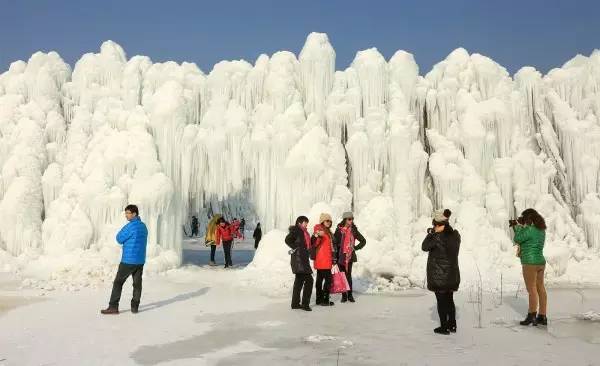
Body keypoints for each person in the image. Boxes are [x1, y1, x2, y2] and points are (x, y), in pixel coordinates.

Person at [101, 204, 148, 315]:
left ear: (134, 214)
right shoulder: (143, 226)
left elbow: (119, 238)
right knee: (137, 284)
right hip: (140, 260)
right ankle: (135, 307)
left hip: (128, 260)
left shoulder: (130, 226)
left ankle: (113, 306)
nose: (126, 215)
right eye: (126, 213)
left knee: (118, 282)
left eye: (128, 213)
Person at [422, 209, 461, 335]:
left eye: (435, 225)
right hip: (452, 275)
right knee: (450, 299)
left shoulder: (436, 237)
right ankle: (452, 325)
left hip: (439, 276)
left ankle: (444, 327)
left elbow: (424, 246)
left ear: (438, 225)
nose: (433, 226)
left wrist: (432, 233)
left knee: (441, 301)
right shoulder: (455, 235)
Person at [512, 208, 547, 326]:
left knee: (531, 290)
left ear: (529, 219)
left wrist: (517, 227)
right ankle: (542, 316)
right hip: (540, 262)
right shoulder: (541, 230)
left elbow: (517, 239)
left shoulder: (530, 230)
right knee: (540, 288)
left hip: (529, 263)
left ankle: (531, 315)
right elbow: (528, 239)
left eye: (525, 219)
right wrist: (522, 226)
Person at [333, 211, 366, 303]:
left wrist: (355, 248)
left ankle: (350, 295)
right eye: (349, 219)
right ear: (345, 220)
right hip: (340, 256)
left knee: (348, 276)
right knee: (342, 276)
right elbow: (334, 243)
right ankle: (344, 296)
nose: (351, 221)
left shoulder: (354, 230)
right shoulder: (339, 230)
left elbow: (363, 241)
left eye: (352, 219)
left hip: (349, 256)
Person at [285, 216, 313, 311]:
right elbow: (287, 239)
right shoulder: (297, 230)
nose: (307, 224)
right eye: (306, 222)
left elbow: (307, 245)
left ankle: (295, 303)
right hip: (299, 260)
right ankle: (305, 304)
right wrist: (296, 247)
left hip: (302, 259)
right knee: (309, 280)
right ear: (300, 223)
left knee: (299, 281)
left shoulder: (303, 232)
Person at [312, 213, 335, 306]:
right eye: (327, 220)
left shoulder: (328, 231)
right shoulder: (319, 230)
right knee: (328, 280)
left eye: (330, 221)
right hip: (323, 259)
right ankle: (325, 300)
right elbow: (315, 243)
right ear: (322, 221)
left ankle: (319, 299)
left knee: (320, 280)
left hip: (324, 259)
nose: (329, 222)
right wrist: (318, 235)